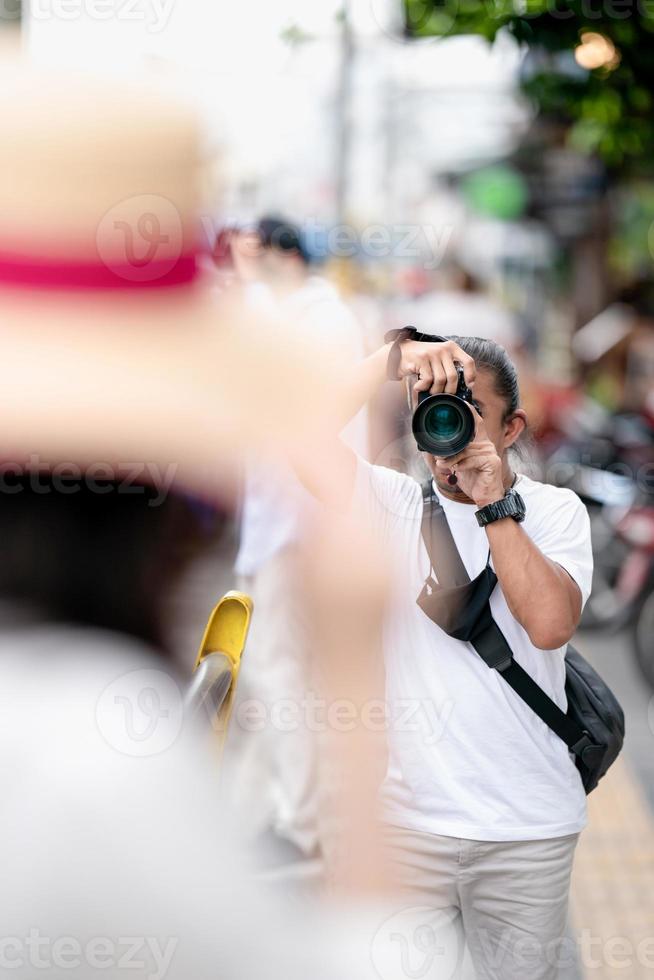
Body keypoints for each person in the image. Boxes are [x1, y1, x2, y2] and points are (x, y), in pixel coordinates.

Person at [300, 332, 593, 979]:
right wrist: (388, 360)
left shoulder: (555, 511)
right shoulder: (393, 502)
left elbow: (548, 624)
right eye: (431, 407)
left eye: (464, 410)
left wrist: (495, 505)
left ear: (512, 427)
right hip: (409, 827)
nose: (445, 425)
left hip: (528, 831)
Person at [226, 216, 368, 863]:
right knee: (272, 671)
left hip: (298, 520)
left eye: (252, 255)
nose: (242, 264)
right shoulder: (291, 312)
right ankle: (258, 809)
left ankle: (303, 821)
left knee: (276, 669)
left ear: (285, 254)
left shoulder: (320, 320)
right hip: (277, 517)